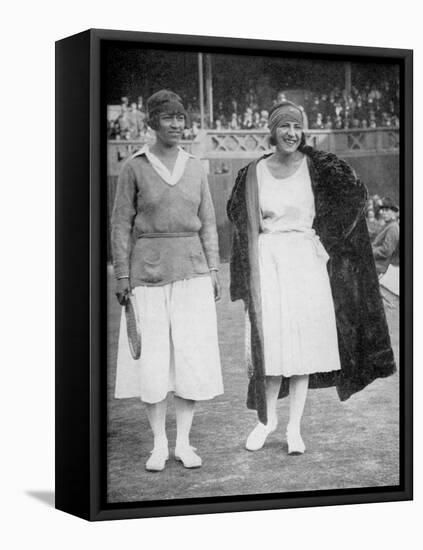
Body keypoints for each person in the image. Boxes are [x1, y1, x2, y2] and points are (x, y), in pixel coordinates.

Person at [227, 100, 396, 455]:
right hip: (269, 260)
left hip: (306, 259)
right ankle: (266, 420)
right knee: (271, 346)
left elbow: (353, 196)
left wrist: (332, 241)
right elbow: (240, 220)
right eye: (285, 126)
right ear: (272, 131)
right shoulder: (254, 172)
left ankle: (294, 429)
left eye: (297, 127)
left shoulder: (318, 167)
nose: (291, 133)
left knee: (303, 348)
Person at [111, 90, 223, 472]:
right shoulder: (134, 167)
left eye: (181, 117)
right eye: (168, 117)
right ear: (152, 122)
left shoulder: (196, 166)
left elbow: (208, 222)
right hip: (147, 274)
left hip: (191, 270)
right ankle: (159, 444)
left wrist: (212, 269)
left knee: (190, 359)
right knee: (154, 363)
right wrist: (123, 275)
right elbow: (120, 224)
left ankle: (184, 443)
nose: (176, 124)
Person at [372, 197, 400, 275]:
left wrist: (369, 252)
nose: (383, 213)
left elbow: (386, 250)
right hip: (374, 264)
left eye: (387, 210)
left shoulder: (393, 228)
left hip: (378, 268)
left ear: (393, 212)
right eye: (383, 210)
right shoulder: (387, 225)